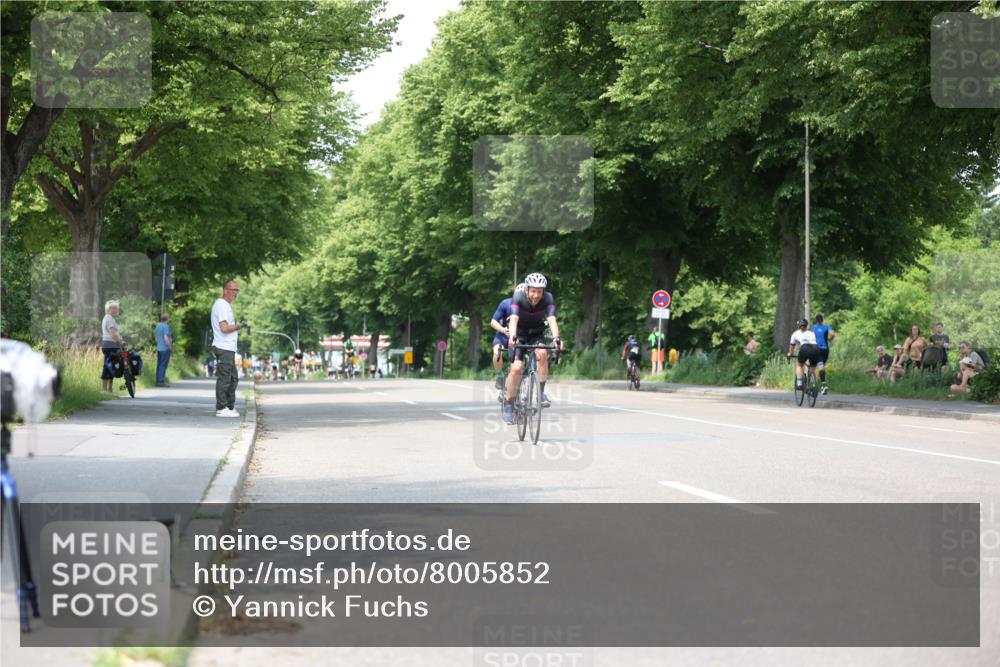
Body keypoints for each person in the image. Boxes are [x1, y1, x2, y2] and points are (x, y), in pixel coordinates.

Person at [503, 272, 562, 423]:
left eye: (539, 291)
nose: (536, 295)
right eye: (533, 291)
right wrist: (512, 337)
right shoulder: (518, 297)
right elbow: (514, 319)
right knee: (516, 368)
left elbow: (552, 319)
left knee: (542, 353)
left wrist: (556, 338)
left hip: (537, 333)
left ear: (543, 292)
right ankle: (509, 403)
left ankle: (540, 393)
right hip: (520, 333)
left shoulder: (548, 298)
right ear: (527, 290)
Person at [210, 279, 245, 417]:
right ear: (225, 290)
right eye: (233, 290)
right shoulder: (222, 305)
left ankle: (229, 406)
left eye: (237, 290)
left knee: (233, 378)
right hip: (224, 347)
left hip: (228, 348)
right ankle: (221, 407)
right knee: (225, 378)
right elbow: (224, 328)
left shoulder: (224, 305)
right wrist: (237, 326)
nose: (235, 293)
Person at [489, 283, 525, 390]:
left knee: (517, 363)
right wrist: (503, 329)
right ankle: (500, 375)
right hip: (503, 336)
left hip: (520, 338)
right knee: (497, 352)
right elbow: (493, 321)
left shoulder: (530, 308)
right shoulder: (506, 303)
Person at [786, 318, 827, 393]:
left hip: (805, 348)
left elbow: (792, 347)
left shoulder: (795, 333)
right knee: (813, 368)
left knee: (799, 365)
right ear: (806, 326)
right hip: (815, 348)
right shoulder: (811, 332)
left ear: (799, 326)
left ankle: (799, 384)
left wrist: (790, 354)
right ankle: (813, 385)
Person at [100, 299, 124, 393]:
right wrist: (120, 341)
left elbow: (116, 334)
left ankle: (109, 389)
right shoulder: (109, 319)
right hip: (109, 345)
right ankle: (104, 389)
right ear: (107, 310)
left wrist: (121, 340)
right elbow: (113, 334)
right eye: (111, 308)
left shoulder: (111, 319)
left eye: (115, 308)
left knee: (112, 366)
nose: (113, 310)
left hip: (112, 345)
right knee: (108, 366)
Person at [154, 313, 173, 387]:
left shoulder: (158, 326)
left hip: (159, 348)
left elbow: (156, 338)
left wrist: (159, 344)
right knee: (163, 365)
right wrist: (170, 347)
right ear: (167, 319)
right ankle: (161, 381)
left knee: (159, 365)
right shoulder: (166, 326)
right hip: (165, 349)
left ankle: (157, 380)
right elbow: (166, 338)